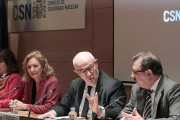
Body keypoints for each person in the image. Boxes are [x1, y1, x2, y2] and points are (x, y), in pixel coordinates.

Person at [39, 51, 126, 119]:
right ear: (77, 72)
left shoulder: (113, 85)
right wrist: (52, 113)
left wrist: (98, 109)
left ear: (96, 63)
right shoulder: (75, 84)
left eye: (90, 68)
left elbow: (117, 112)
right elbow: (64, 106)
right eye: (83, 71)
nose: (88, 74)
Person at [117, 52, 180, 120]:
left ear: (149, 73)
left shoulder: (173, 88)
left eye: (135, 72)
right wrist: (125, 118)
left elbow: (176, 118)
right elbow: (126, 111)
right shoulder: (137, 88)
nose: (132, 75)